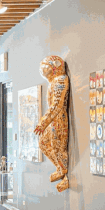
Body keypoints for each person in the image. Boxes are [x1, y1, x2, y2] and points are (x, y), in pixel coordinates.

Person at [34, 55, 70, 193]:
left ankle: (66, 176)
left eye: (46, 66)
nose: (43, 70)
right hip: (52, 120)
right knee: (43, 143)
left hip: (58, 119)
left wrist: (44, 122)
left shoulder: (61, 80)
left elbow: (57, 106)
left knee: (58, 149)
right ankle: (60, 169)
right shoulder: (53, 82)